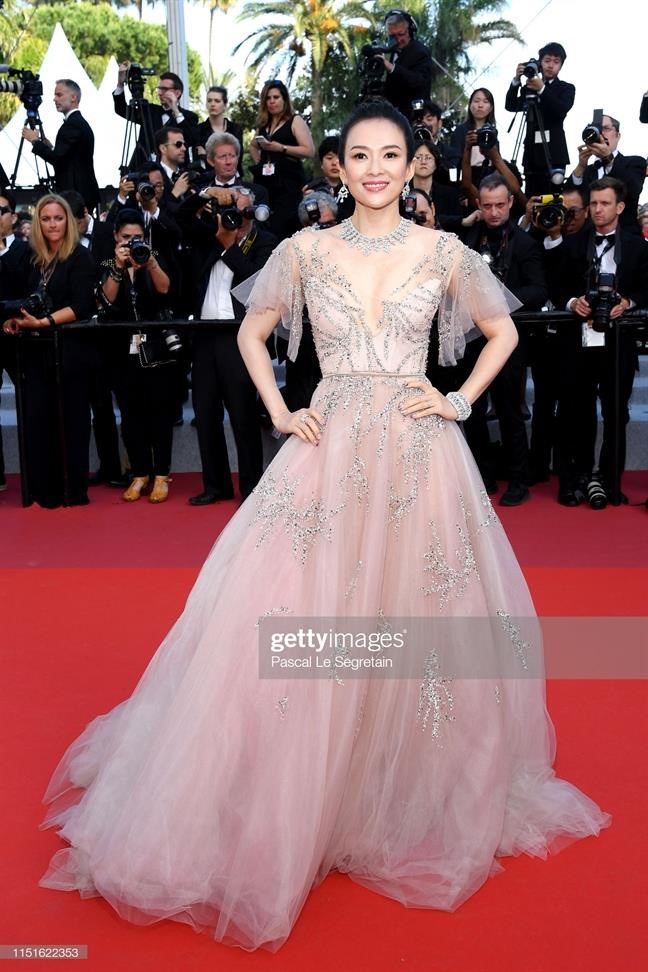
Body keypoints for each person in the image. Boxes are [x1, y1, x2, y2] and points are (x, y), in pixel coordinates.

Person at [39, 100, 609, 951]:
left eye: (391, 155)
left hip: (419, 455)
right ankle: (303, 783)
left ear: (412, 163)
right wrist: (279, 410)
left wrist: (458, 399)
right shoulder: (304, 249)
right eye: (360, 155)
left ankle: (391, 779)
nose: (376, 169)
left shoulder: (443, 251)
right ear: (337, 166)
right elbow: (252, 330)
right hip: (329, 444)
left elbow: (502, 331)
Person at [544, 177, 648, 506]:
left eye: (605, 203)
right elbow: (555, 286)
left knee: (616, 413)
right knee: (576, 412)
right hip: (579, 343)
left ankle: (610, 479)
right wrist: (573, 302)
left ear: (620, 207)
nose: (598, 209)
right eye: (593, 203)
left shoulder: (638, 247)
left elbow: (646, 288)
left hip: (619, 343)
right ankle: (577, 477)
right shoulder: (573, 244)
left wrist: (628, 302)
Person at [1, 194, 96, 508]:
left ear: (68, 221)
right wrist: (17, 320)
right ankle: (43, 490)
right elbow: (22, 300)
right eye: (45, 219)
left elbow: (82, 305)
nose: (52, 224)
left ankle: (72, 490)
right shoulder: (32, 258)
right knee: (38, 420)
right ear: (37, 223)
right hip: (35, 352)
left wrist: (44, 322)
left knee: (71, 421)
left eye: (58, 218)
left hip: (70, 352)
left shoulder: (80, 257)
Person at [97, 209, 177, 504]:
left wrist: (150, 261)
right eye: (127, 237)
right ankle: (140, 473)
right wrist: (119, 266)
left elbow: (165, 288)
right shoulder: (107, 263)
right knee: (130, 415)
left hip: (156, 349)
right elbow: (107, 299)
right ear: (115, 237)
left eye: (138, 237)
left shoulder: (152, 257)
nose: (133, 243)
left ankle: (161, 475)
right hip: (121, 350)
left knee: (160, 413)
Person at [505, 43, 575, 196]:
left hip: (554, 153)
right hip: (531, 153)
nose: (550, 65)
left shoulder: (566, 88)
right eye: (547, 60)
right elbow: (510, 105)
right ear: (540, 63)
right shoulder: (529, 87)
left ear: (561, 66)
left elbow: (560, 110)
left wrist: (542, 88)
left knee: (553, 196)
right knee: (531, 196)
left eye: (556, 62)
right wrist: (516, 80)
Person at [249, 80, 315, 240]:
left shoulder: (295, 120)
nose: (272, 101)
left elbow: (309, 150)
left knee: (286, 228)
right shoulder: (263, 125)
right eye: (268, 98)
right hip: (266, 184)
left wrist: (281, 148)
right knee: (265, 227)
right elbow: (253, 145)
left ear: (284, 99)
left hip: (289, 184)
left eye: (276, 97)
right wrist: (260, 163)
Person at [22, 79, 100, 213]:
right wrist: (49, 147)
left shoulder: (72, 124)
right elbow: (69, 157)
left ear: (73, 97)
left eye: (59, 95)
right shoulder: (77, 122)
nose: (54, 99)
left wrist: (35, 141)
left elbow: (57, 159)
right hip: (80, 193)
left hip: (76, 196)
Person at [566, 114, 646, 235]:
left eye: (606, 129)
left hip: (625, 236)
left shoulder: (634, 162)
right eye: (597, 130)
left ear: (618, 135)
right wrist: (581, 166)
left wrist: (608, 158)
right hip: (588, 238)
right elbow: (569, 199)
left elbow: (632, 190)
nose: (601, 134)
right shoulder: (587, 170)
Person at [113, 65, 199, 166]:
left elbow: (191, 139)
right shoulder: (149, 110)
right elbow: (122, 110)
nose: (160, 93)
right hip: (143, 167)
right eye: (159, 89)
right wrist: (120, 84)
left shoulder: (189, 117)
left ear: (177, 93)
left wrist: (176, 110)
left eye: (165, 89)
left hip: (173, 169)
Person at [380, 10, 433, 117]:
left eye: (401, 34)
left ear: (410, 31)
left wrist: (391, 67)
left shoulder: (420, 52)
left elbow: (419, 81)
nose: (398, 40)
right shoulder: (390, 52)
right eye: (392, 36)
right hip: (392, 116)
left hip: (414, 115)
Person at [195, 86, 243, 160]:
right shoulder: (199, 130)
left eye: (217, 101)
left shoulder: (235, 129)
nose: (212, 104)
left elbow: (238, 157)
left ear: (225, 105)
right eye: (209, 101)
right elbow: (198, 159)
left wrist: (206, 155)